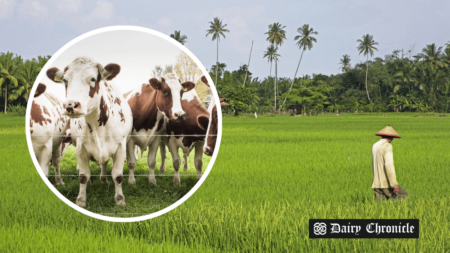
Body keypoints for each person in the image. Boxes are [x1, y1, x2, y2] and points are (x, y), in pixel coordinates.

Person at [371, 125, 408, 201]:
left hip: (376, 182)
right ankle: (399, 212)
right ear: (391, 137)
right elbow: (389, 165)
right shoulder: (387, 146)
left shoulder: (375, 145)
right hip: (385, 183)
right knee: (403, 195)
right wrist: (394, 184)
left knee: (380, 206)